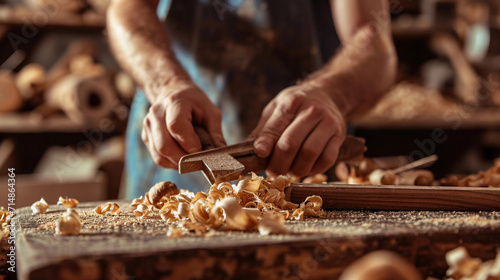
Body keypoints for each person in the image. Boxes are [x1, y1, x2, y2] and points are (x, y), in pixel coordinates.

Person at [107, 0, 397, 198]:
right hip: (174, 159)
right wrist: (166, 84)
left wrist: (331, 93)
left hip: (302, 167)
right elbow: (128, 8)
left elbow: (373, 41)